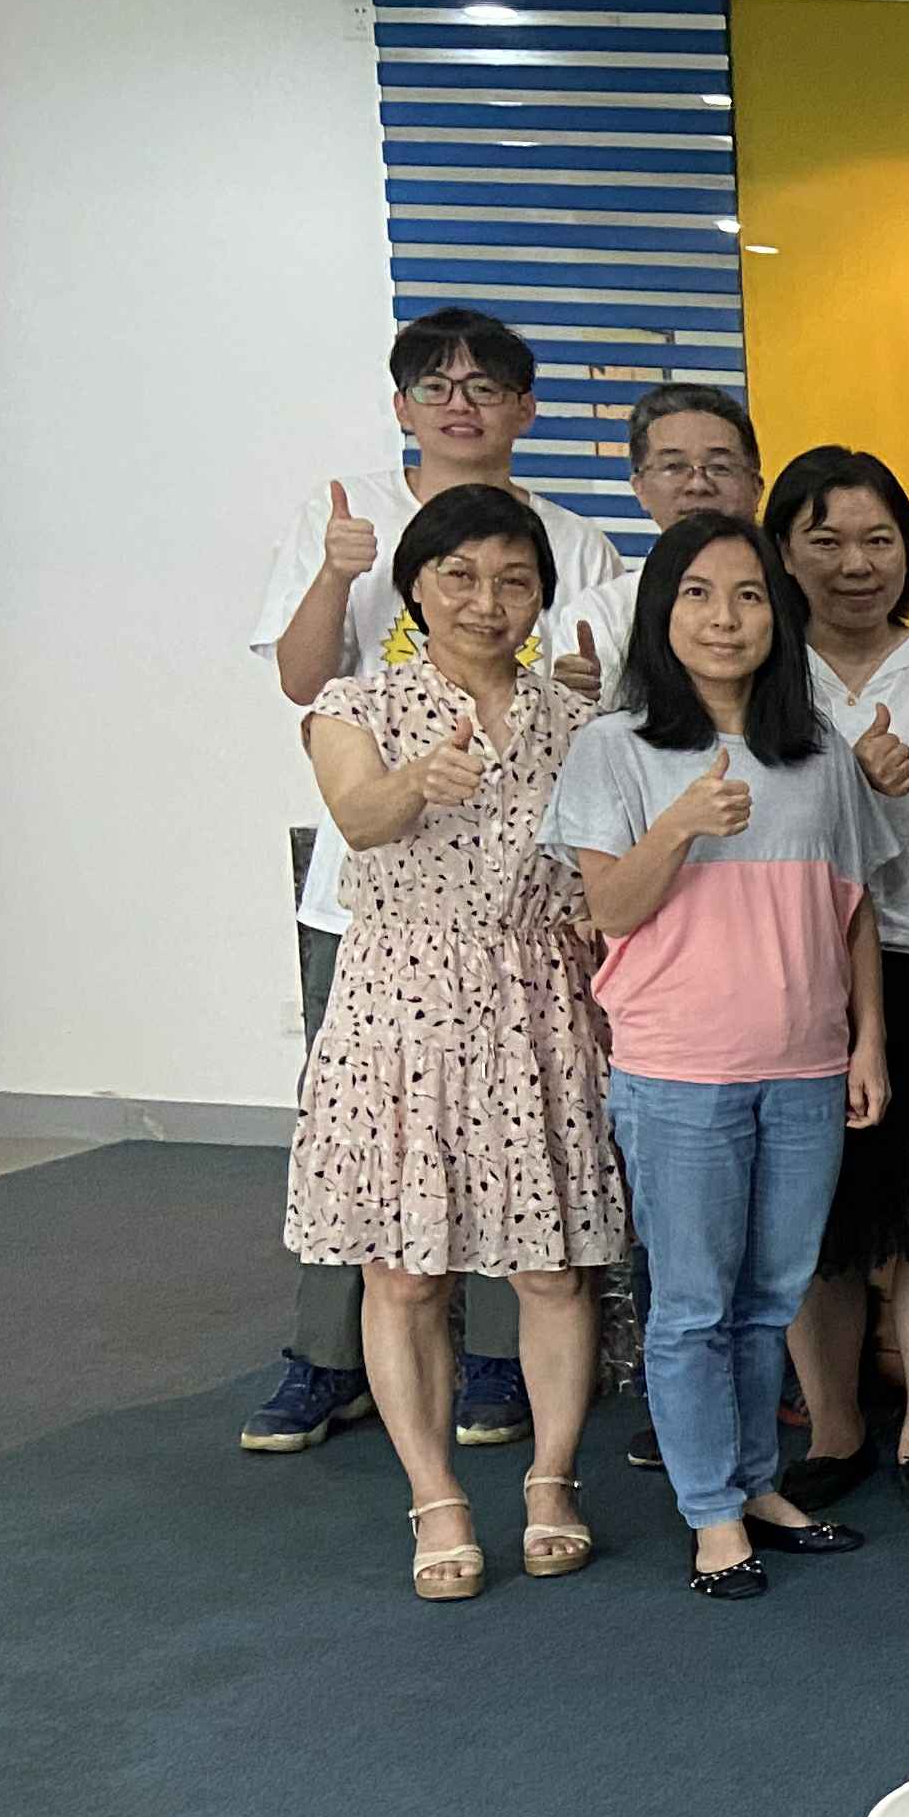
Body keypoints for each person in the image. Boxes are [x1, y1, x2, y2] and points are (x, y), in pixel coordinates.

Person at [250, 304, 622, 1460]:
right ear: (402, 402)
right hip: (384, 918)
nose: (460, 403)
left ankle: (503, 1370)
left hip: (530, 922)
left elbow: (602, 693)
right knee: (382, 1159)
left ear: (525, 407)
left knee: (530, 1185)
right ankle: (328, 1365)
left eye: (485, 385)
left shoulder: (577, 543)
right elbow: (305, 684)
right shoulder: (347, 514)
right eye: (435, 383)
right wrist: (335, 576)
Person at [282, 486, 626, 1597]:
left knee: (553, 1269)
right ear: (417, 588)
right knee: (404, 1274)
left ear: (542, 596)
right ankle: (436, 1500)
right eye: (461, 576)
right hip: (398, 1008)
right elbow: (358, 818)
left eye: (515, 579)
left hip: (539, 999)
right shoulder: (357, 703)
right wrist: (417, 781)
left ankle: (552, 1483)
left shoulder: (579, 722)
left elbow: (602, 878)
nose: (488, 600)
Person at [548, 515, 893, 1599]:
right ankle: (709, 1513)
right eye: (697, 594)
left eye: (748, 595)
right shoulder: (614, 747)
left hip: (804, 1064)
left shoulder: (817, 751)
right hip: (678, 1069)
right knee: (694, 1304)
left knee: (771, 1298)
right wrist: (681, 823)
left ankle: (755, 1485)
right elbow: (610, 907)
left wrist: (869, 1040)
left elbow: (854, 910)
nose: (725, 618)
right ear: (661, 611)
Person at [765, 448, 909, 1515]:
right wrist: (843, 780)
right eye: (827, 541)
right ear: (783, 552)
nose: (856, 564)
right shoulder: (758, 674)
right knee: (821, 1214)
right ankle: (837, 1423)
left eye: (878, 540)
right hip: (794, 967)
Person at [547, 384, 764, 680]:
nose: (698, 485)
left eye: (720, 467)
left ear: (756, 487)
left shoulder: (794, 596)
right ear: (640, 489)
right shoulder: (602, 613)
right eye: (674, 466)